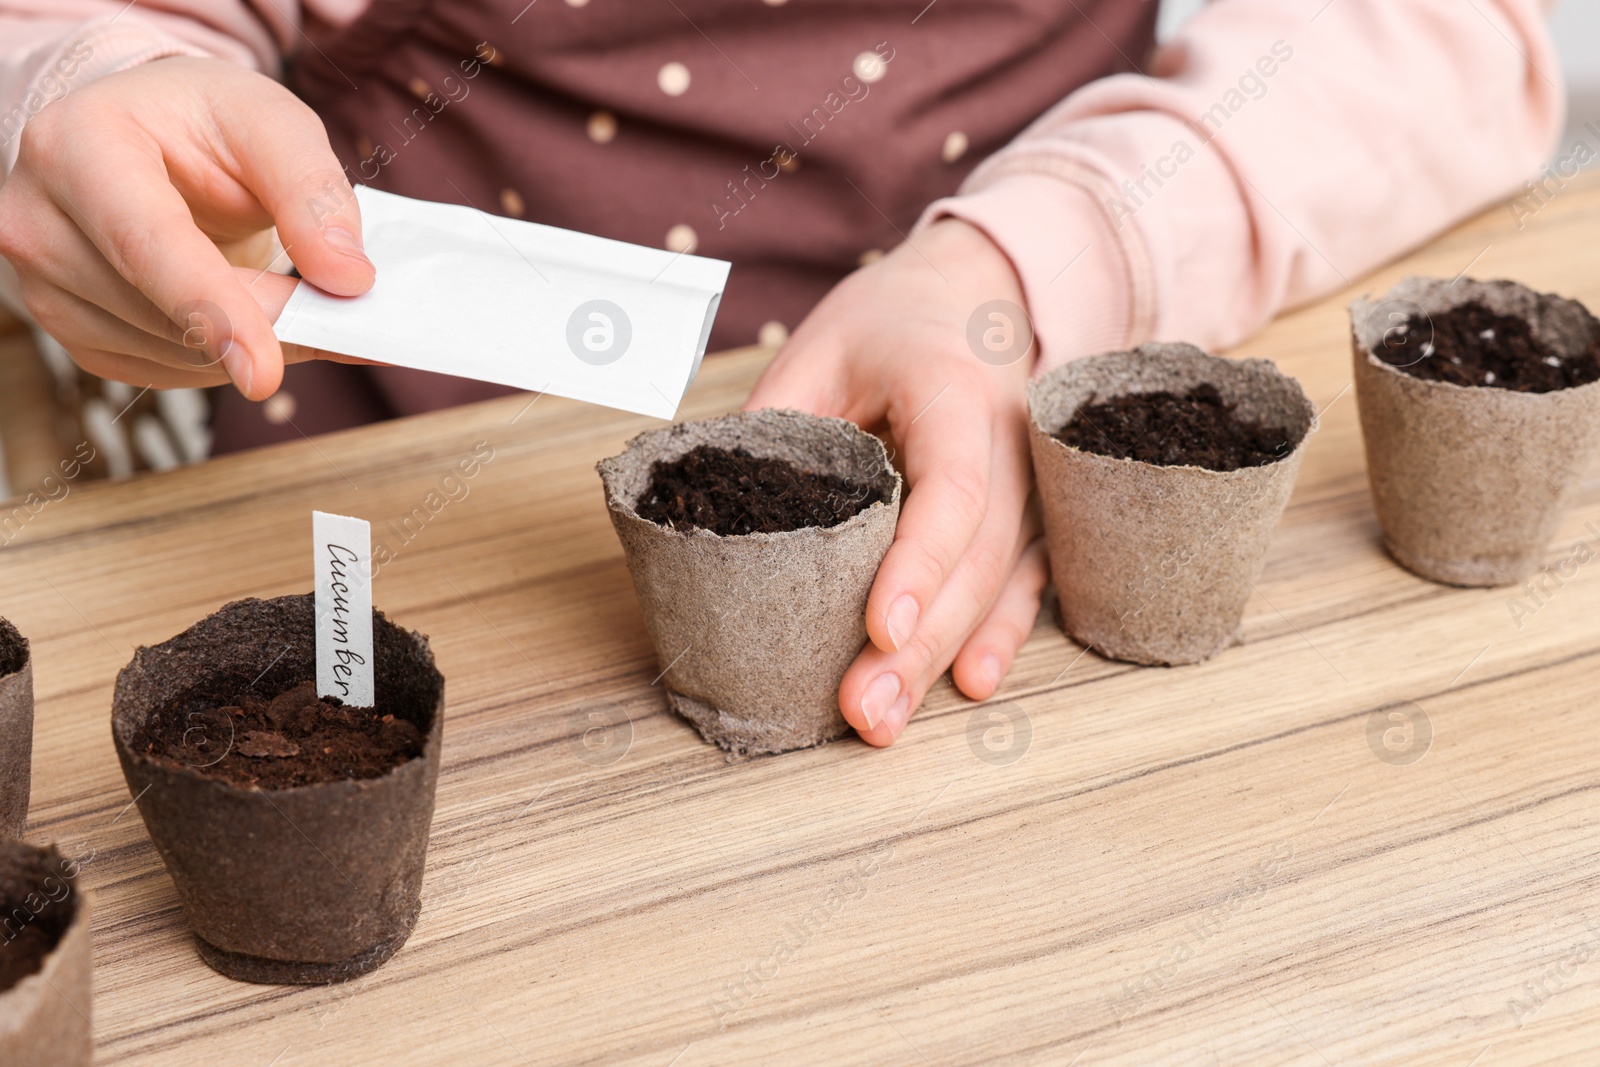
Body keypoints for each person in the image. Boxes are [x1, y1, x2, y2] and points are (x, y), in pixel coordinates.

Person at [0, 0, 1563, 745]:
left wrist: (1035, 267)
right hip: (407, 498)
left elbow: (1438, 34)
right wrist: (80, 87)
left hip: (1029, 366)